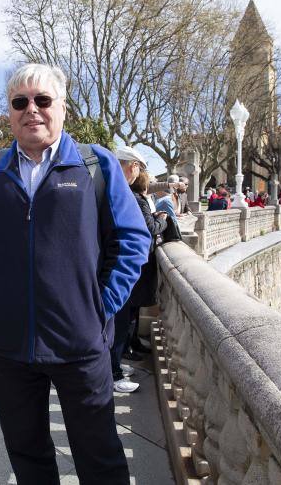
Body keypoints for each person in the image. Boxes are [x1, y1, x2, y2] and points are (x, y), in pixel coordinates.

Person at [0, 63, 151, 485]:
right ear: (9, 111)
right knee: (28, 459)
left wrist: (99, 306)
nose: (32, 110)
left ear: (62, 107)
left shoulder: (96, 166)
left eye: (43, 100)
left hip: (80, 345)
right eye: (20, 102)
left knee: (100, 458)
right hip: (9, 348)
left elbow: (132, 241)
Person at [110, 166, 166, 393]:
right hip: (119, 270)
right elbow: (146, 228)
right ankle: (112, 375)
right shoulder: (129, 197)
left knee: (122, 323)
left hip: (122, 269)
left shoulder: (125, 195)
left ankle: (115, 369)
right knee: (118, 324)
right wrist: (162, 222)